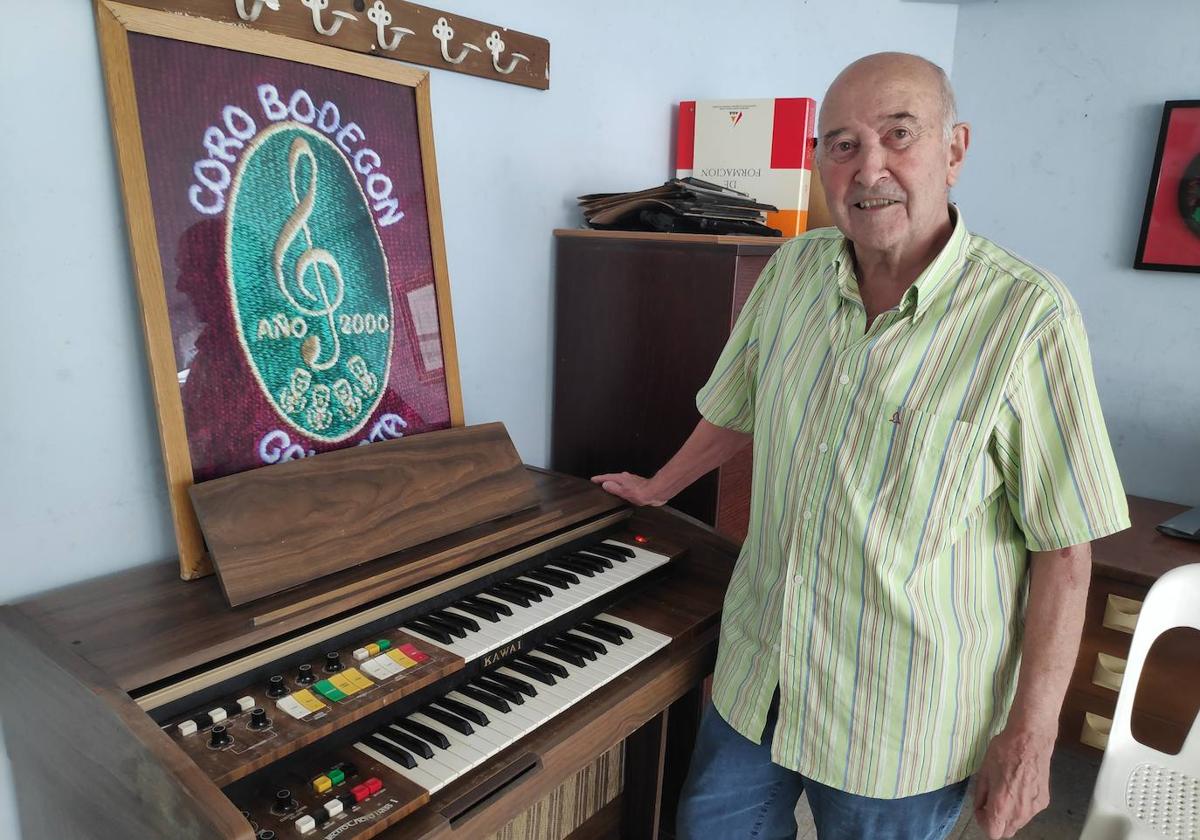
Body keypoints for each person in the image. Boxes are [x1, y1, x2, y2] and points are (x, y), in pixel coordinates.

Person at [593, 52, 1129, 840]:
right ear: (819, 162)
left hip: (904, 720)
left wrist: (1030, 738)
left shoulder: (1028, 317)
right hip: (761, 675)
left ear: (954, 149)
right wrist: (659, 488)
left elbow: (1064, 550)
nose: (868, 167)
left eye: (898, 135)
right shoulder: (794, 271)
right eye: (841, 144)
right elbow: (735, 407)